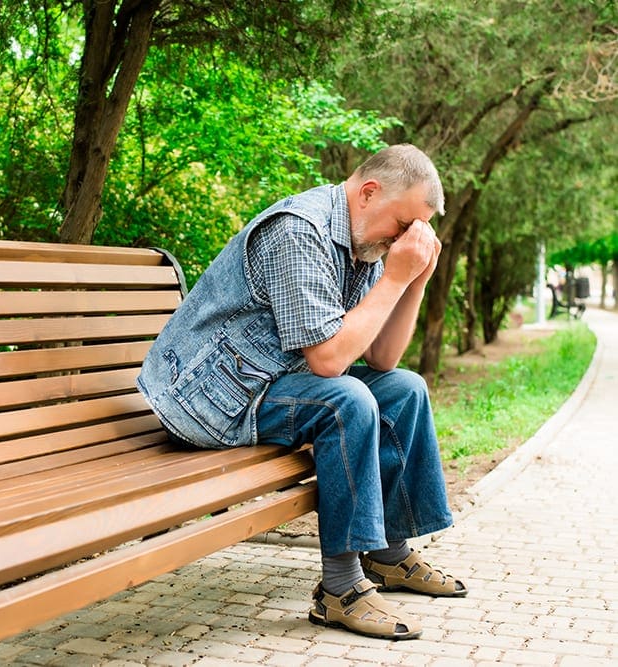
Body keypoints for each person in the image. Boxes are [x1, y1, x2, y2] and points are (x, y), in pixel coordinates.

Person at [137, 143, 467, 641]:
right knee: (348, 402)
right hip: (207, 398)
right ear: (369, 192)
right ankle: (340, 590)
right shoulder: (300, 230)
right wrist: (396, 275)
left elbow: (384, 360)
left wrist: (412, 280)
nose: (404, 240)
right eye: (403, 226)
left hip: (269, 379)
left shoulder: (366, 244)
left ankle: (388, 555)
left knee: (404, 389)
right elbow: (331, 362)